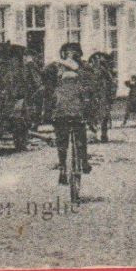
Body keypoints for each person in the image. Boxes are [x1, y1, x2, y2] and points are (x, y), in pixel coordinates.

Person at [47, 43, 92, 186]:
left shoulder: (76, 69)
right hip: (75, 111)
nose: (70, 54)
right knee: (79, 138)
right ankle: (81, 163)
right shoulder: (62, 68)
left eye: (72, 52)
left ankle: (63, 169)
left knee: (62, 142)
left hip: (62, 112)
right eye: (68, 52)